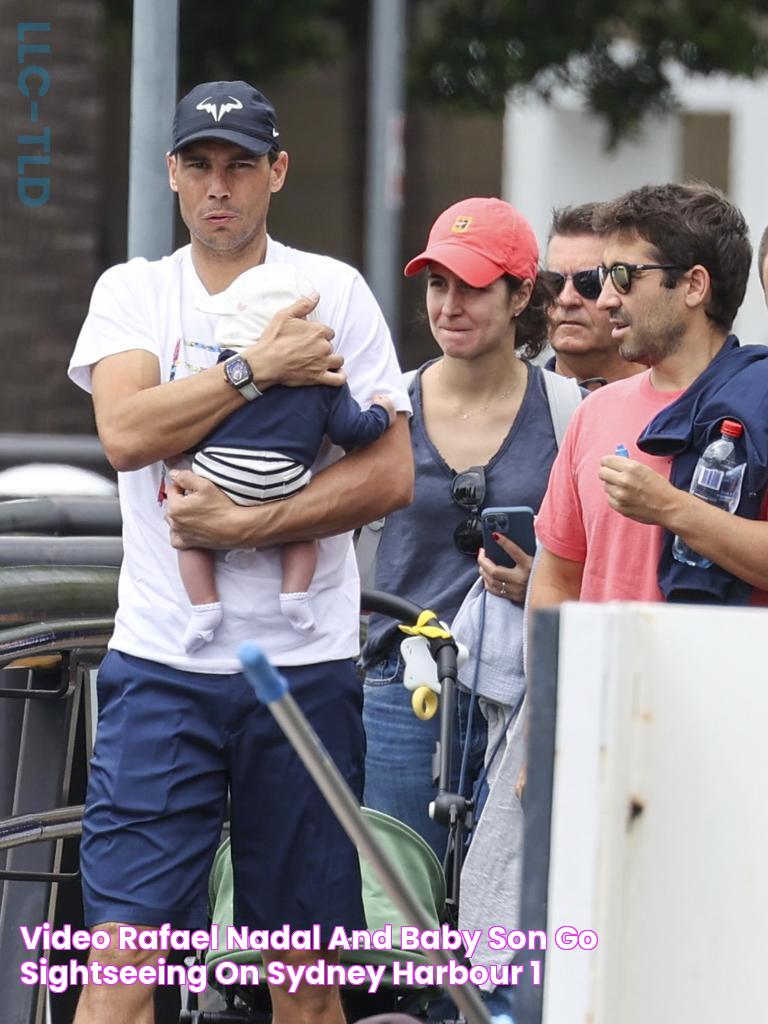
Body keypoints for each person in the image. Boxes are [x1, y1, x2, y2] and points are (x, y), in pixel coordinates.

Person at [68, 79, 412, 1024]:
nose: (220, 187)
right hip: (162, 667)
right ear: (173, 173)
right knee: (123, 972)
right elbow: (128, 435)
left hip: (304, 670)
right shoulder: (134, 289)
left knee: (304, 983)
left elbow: (388, 475)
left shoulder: (333, 289)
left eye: (241, 166)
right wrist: (254, 367)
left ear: (277, 173)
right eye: (201, 165)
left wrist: (250, 525)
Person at [361, 196, 564, 861]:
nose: (449, 306)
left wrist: (547, 582)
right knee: (401, 903)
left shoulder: (571, 412)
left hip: (526, 693)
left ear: (520, 294)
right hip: (401, 685)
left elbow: (606, 556)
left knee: (509, 905)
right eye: (437, 284)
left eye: (473, 287)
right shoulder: (385, 405)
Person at [530, 182, 768, 612]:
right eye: (602, 278)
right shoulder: (594, 412)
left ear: (694, 285)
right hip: (606, 680)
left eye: (623, 276)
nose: (604, 300)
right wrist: (550, 679)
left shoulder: (759, 403)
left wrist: (672, 508)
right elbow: (557, 582)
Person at [176, 262, 395, 650]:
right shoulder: (325, 379)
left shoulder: (226, 371)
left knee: (190, 537)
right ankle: (295, 596)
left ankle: (204, 606)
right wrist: (382, 411)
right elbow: (352, 432)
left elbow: (192, 428)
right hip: (286, 478)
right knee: (302, 529)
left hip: (221, 475)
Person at [544, 202, 645, 389]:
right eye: (554, 282)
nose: (566, 299)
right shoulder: (515, 408)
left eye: (589, 282)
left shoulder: (678, 408)